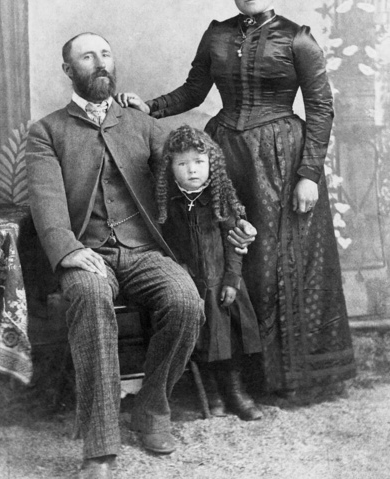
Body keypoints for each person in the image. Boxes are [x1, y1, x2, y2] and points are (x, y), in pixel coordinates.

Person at [119, 0, 356, 399]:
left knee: (278, 259)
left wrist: (309, 173)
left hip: (283, 159)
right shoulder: (217, 34)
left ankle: (283, 377)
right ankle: (234, 377)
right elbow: (194, 88)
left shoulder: (297, 38)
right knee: (229, 255)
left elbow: (321, 109)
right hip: (226, 153)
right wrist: (150, 106)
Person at [26, 32, 251, 479]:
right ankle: (101, 446)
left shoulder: (140, 124)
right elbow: (45, 201)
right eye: (87, 57)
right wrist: (68, 250)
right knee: (90, 296)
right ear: (69, 71)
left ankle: (151, 407)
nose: (100, 62)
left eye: (106, 54)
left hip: (145, 250)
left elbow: (193, 175)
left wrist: (231, 219)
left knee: (186, 300)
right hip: (87, 253)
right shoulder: (47, 131)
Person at [156, 124, 262, 420]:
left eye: (199, 162)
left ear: (211, 163)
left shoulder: (218, 199)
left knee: (228, 343)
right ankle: (212, 393)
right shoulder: (169, 205)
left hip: (221, 285)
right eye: (183, 163)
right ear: (171, 167)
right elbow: (167, 247)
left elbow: (234, 245)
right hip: (191, 286)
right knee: (200, 342)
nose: (192, 170)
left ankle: (236, 393)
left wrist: (232, 280)